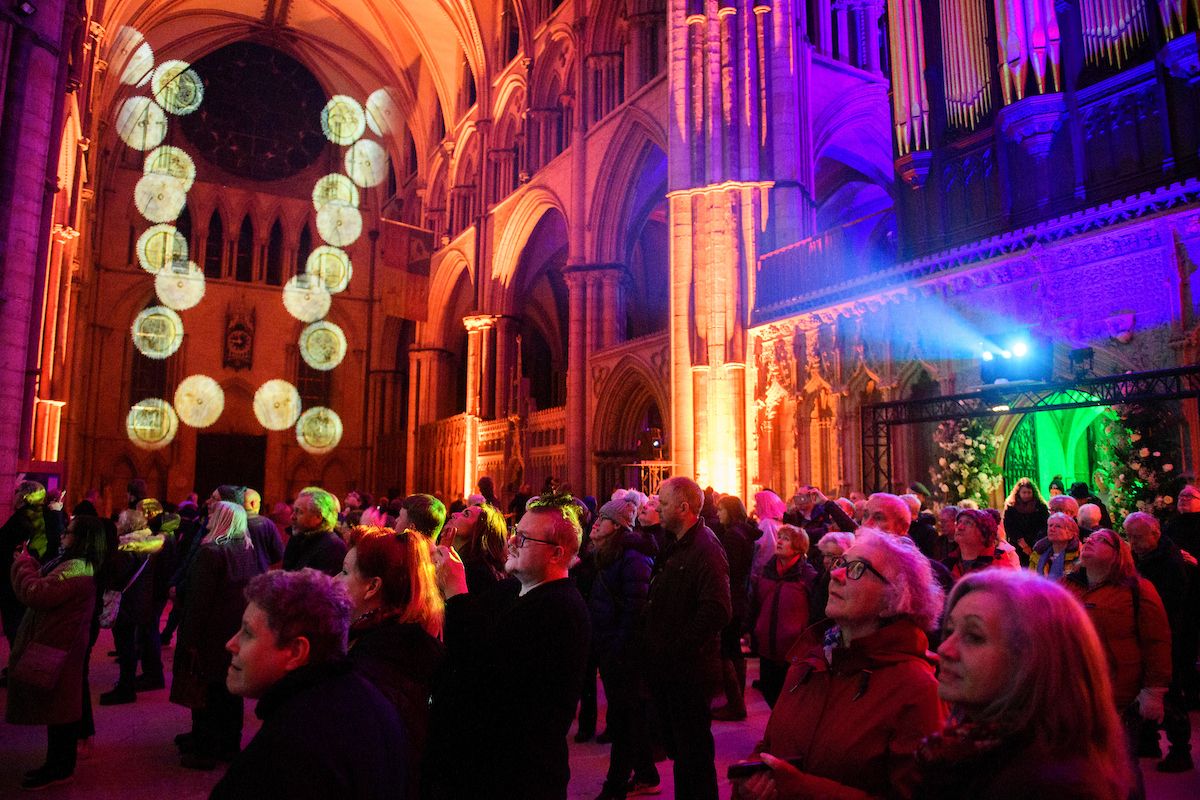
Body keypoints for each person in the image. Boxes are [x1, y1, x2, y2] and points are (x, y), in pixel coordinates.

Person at [733, 531, 946, 800]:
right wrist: (750, 778)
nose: (836, 575)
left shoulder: (917, 689)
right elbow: (770, 746)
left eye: (857, 569)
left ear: (893, 601)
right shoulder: (809, 663)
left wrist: (801, 790)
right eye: (840, 564)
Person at [915, 569, 1135, 798]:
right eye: (949, 631)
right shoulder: (975, 749)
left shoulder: (1049, 786)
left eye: (974, 636)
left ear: (1034, 659)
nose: (944, 649)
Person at [428, 493, 591, 799]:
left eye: (525, 538)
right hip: (481, 766)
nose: (513, 541)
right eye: (516, 531)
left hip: (518, 775)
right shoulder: (511, 588)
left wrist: (457, 590)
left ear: (557, 554)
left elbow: (484, 669)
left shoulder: (560, 609)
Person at [212, 569, 408, 798]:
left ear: (296, 651)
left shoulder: (284, 751)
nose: (231, 644)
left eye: (248, 633)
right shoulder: (372, 701)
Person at [1062, 527, 1172, 792]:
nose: (1089, 541)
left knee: (1121, 768)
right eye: (1089, 539)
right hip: (1074, 693)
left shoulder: (1138, 590)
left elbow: (1157, 642)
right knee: (1080, 768)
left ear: (1117, 554)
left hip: (1120, 697)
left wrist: (1154, 692)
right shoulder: (1068, 585)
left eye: (1100, 540)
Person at [642, 477, 731, 800]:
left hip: (689, 671)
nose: (656, 509)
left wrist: (679, 649)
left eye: (663, 504)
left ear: (683, 508)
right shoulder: (677, 543)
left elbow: (718, 609)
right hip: (673, 669)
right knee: (683, 752)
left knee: (693, 755)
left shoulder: (705, 548)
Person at [338, 527, 445, 794]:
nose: (333, 579)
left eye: (344, 572)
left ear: (373, 586)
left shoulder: (372, 667)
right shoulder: (398, 643)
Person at [6, 513, 106, 789]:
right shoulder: (75, 565)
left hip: (60, 647)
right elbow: (50, 583)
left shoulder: (76, 568)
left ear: (82, 539)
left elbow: (37, 593)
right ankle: (59, 764)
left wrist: (23, 564)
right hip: (62, 645)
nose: (64, 536)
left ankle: (60, 767)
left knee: (61, 712)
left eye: (69, 532)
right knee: (60, 710)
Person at [170, 500, 264, 769]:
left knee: (207, 691)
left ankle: (205, 749)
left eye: (213, 513)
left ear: (222, 520)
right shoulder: (246, 549)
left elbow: (198, 602)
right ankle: (227, 745)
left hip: (209, 635)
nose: (208, 517)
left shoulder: (210, 553)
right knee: (228, 692)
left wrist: (188, 640)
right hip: (234, 631)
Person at [587, 498, 660, 800]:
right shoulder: (606, 553)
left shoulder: (632, 555)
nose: (595, 523)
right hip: (611, 646)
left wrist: (618, 646)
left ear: (616, 526)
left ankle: (614, 786)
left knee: (624, 718)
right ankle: (646, 774)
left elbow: (636, 607)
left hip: (625, 652)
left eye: (601, 519)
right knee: (627, 716)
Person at [1125, 512, 1194, 772]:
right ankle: (1148, 739)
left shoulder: (1169, 561)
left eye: (1139, 537)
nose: (1133, 543)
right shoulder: (1142, 555)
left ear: (1155, 534)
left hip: (1169, 633)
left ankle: (1180, 750)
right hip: (1147, 630)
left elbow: (1169, 601)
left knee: (1169, 690)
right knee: (1143, 685)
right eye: (1130, 537)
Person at [99, 508, 168, 705]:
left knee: (125, 646)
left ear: (128, 526)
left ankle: (125, 688)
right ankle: (126, 684)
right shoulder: (150, 545)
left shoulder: (128, 548)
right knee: (130, 645)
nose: (118, 525)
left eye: (120, 522)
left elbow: (114, 576)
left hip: (126, 603)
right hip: (140, 601)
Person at [748, 524, 818, 707]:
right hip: (766, 646)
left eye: (786, 539)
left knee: (789, 698)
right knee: (769, 691)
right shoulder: (767, 570)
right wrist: (752, 630)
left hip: (793, 648)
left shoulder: (806, 575)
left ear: (798, 546)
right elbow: (756, 603)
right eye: (780, 537)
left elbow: (814, 610)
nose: (779, 541)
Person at [712, 494, 758, 721]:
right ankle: (736, 698)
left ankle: (736, 703)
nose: (718, 514)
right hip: (740, 597)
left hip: (733, 597)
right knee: (733, 650)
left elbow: (729, 568)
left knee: (727, 650)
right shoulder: (743, 532)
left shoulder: (733, 536)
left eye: (721, 510)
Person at [438, 501, 507, 593]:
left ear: (480, 530)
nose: (454, 514)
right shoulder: (445, 552)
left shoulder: (478, 573)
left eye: (466, 515)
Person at [282, 487, 347, 575]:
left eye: (299, 512)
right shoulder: (298, 538)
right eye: (294, 511)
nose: (292, 517)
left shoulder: (333, 547)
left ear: (318, 517)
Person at [942, 509, 1016, 582]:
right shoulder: (947, 565)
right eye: (959, 522)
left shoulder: (999, 566)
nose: (959, 527)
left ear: (984, 534)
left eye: (968, 523)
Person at [1002, 478, 1049, 566]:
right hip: (1018, 546)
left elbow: (1044, 525)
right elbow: (1010, 527)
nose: (1026, 495)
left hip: (1037, 545)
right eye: (1024, 492)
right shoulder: (1011, 507)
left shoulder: (1040, 506)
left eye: (1029, 492)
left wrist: (1036, 544)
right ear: (1018, 493)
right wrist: (1024, 545)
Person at [1027, 511, 1082, 578]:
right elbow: (1030, 579)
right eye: (1050, 525)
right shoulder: (1038, 553)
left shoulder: (1080, 555)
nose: (1052, 529)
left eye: (1058, 526)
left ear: (1071, 534)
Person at [243, 488, 284, 571]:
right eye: (259, 502)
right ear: (253, 503)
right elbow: (279, 553)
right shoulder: (267, 523)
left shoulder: (230, 522)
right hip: (260, 572)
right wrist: (265, 561)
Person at [751, 490, 785, 577]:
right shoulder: (776, 522)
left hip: (763, 573)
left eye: (758, 503)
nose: (755, 505)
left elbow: (765, 551)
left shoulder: (767, 524)